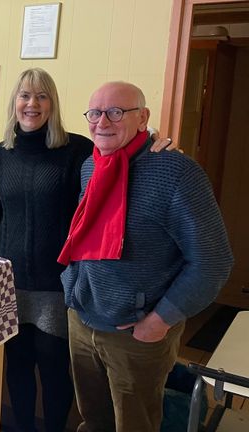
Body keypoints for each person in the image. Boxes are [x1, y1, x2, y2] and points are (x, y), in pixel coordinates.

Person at [58, 81, 233, 431]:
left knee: (135, 425)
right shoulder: (90, 167)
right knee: (94, 420)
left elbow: (213, 261)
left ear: (143, 118)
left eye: (116, 112)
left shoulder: (176, 172)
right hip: (83, 319)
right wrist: (74, 290)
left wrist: (160, 320)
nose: (102, 122)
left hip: (135, 333)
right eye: (95, 113)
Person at [0, 68, 93, 432]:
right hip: (8, 281)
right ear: (14, 102)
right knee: (15, 364)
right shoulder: (1, 153)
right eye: (24, 96)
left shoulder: (77, 150)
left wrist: (153, 140)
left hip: (55, 282)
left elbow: (103, 193)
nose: (31, 104)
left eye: (41, 97)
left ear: (53, 104)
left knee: (52, 366)